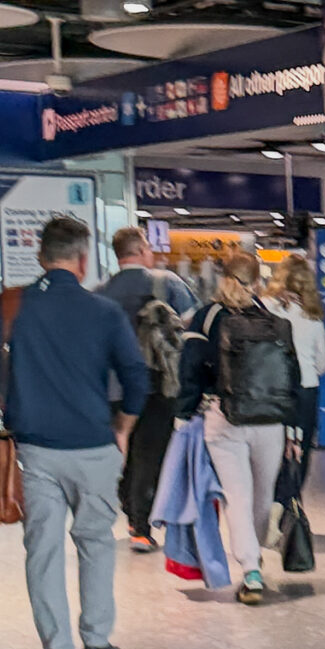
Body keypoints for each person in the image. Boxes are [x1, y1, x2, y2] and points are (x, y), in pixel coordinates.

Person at [0, 214, 147, 649]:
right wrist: (124, 428)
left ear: (40, 257)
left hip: (34, 453)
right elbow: (136, 376)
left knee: (44, 553)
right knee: (96, 543)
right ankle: (97, 640)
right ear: (83, 261)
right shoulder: (104, 312)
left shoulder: (10, 306)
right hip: (95, 447)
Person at [174, 248, 299, 606]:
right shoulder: (272, 317)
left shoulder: (206, 317)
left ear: (222, 277)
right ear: (258, 281)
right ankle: (254, 554)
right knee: (262, 497)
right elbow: (289, 376)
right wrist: (293, 429)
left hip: (224, 417)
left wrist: (183, 415)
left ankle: (250, 569)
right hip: (270, 421)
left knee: (237, 497)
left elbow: (190, 371)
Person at [99, 227, 195, 553]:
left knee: (124, 450)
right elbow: (190, 325)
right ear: (141, 250)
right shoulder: (166, 283)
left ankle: (130, 513)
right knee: (150, 454)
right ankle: (141, 526)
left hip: (113, 388)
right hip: (157, 383)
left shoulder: (100, 292)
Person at [265, 252, 325, 481]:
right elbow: (322, 364)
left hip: (271, 389)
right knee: (299, 451)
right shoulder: (312, 318)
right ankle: (292, 497)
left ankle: (271, 495)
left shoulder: (265, 310)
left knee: (272, 451)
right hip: (305, 388)